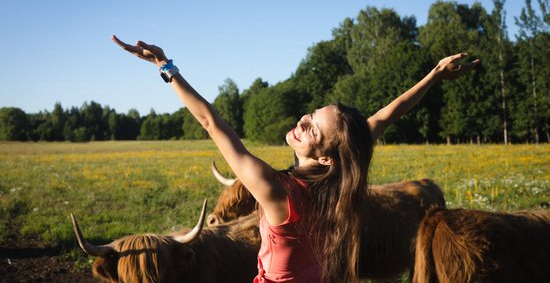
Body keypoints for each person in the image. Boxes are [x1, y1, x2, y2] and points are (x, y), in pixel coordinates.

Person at [112, 35, 479, 283]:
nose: (303, 121)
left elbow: (211, 122)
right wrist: (434, 75)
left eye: (314, 130)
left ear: (326, 159)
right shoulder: (340, 185)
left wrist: (165, 66)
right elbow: (387, 115)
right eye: (310, 115)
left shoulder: (276, 190)